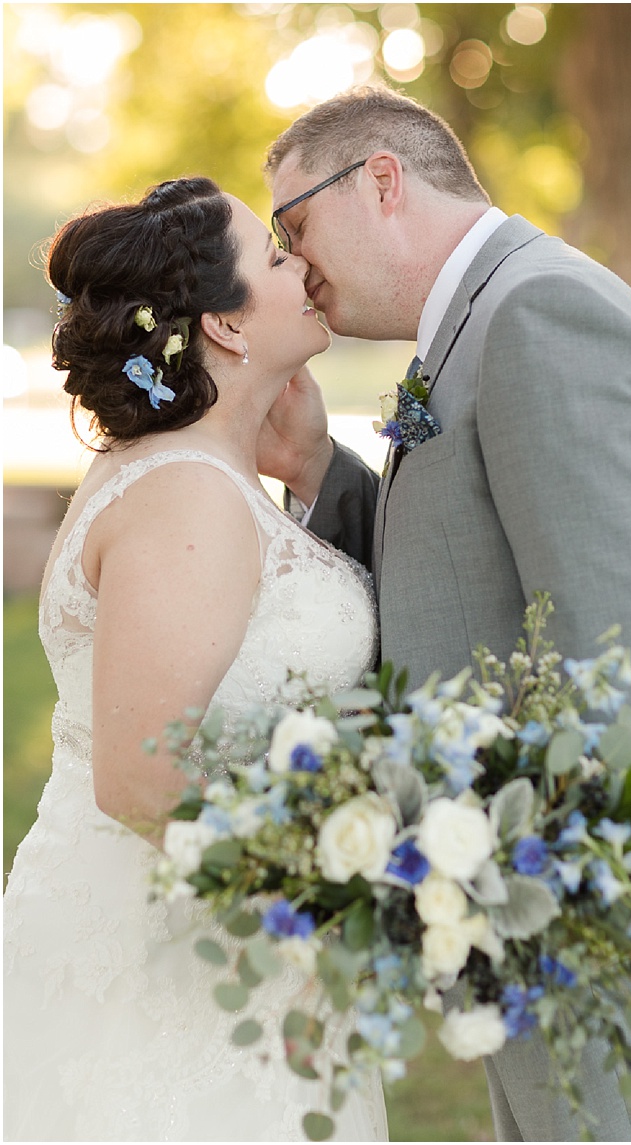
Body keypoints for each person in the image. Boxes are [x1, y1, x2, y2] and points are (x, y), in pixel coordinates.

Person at [255, 85, 631, 1141]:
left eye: (293, 224)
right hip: (548, 878)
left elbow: (613, 644)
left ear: (381, 180)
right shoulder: (483, 319)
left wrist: (562, 905)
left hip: (606, 893)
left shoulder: (537, 316)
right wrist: (314, 467)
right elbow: (464, 565)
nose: (292, 262)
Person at [3, 177, 388, 1140]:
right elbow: (140, 777)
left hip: (197, 938)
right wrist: (319, 895)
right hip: (185, 964)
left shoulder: (195, 471)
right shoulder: (190, 495)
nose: (302, 261)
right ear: (223, 322)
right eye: (273, 254)